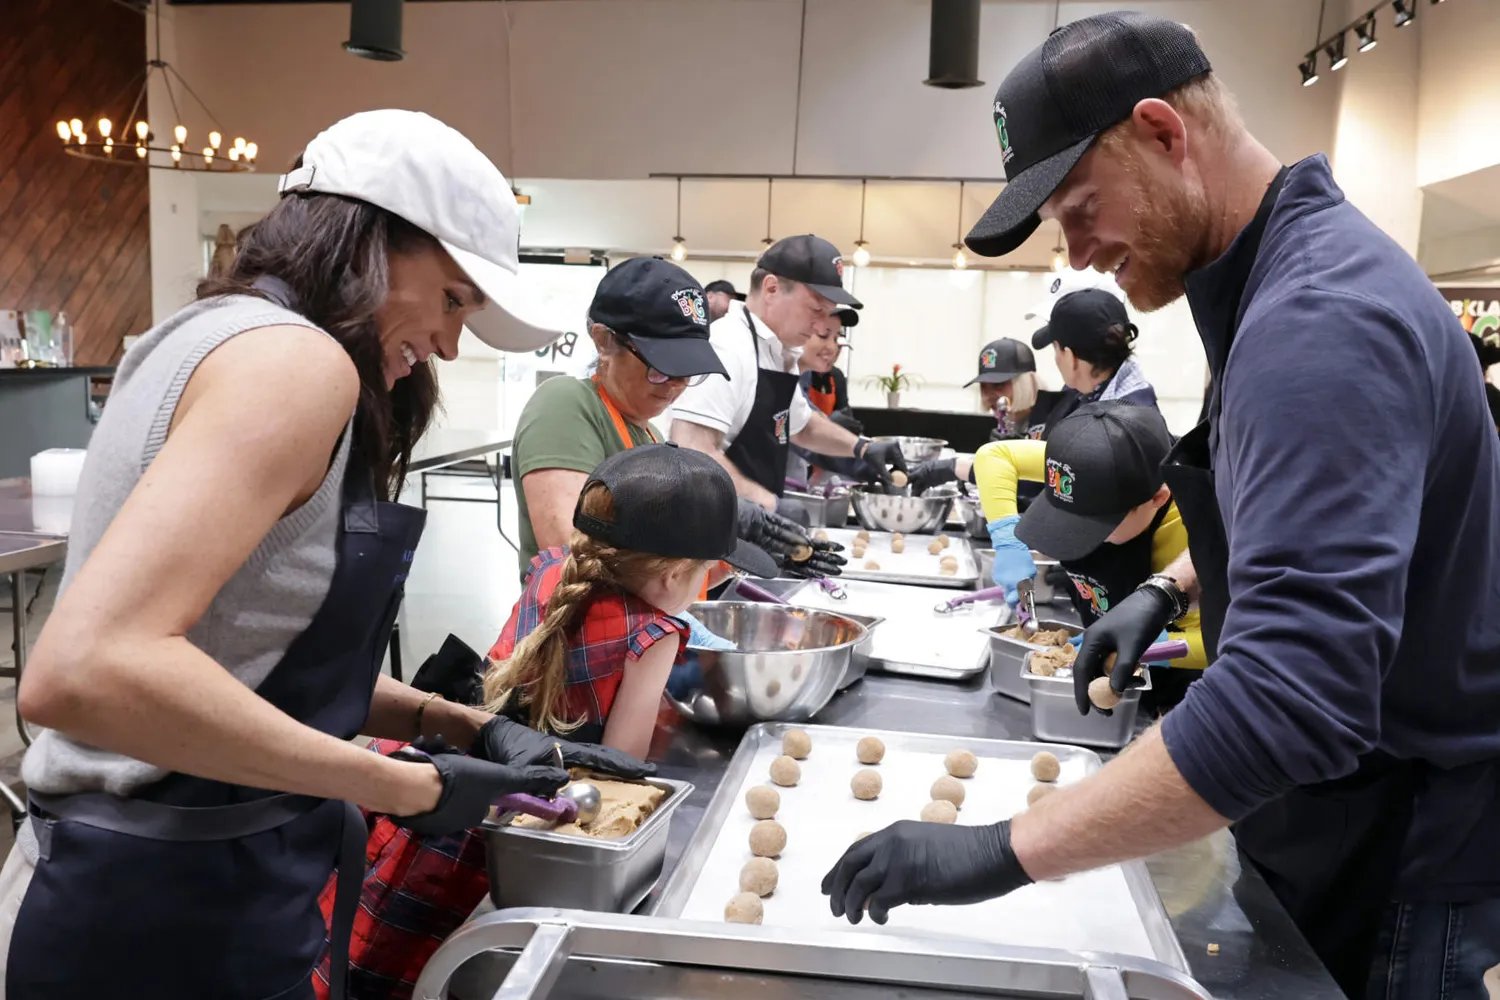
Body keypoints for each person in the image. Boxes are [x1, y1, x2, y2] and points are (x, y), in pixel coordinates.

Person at [821, 14, 1500, 1000]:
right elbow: (1323, 525)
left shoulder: (1318, 320)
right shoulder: (1281, 278)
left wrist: (1004, 849)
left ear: (1164, 132)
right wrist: (1171, 587)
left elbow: (1293, 699)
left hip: (1407, 857)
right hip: (1349, 815)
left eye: (1081, 206)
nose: (1081, 253)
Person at [0, 110, 652, 1000]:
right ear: (369, 243)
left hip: (187, 885)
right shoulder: (298, 366)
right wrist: (405, 787)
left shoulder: (216, 333)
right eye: (454, 299)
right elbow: (85, 672)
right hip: (155, 912)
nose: (452, 344)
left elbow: (246, 653)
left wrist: (452, 724)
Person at [312, 444, 771, 999]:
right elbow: (623, 769)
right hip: (517, 819)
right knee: (441, 957)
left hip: (443, 769)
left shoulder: (554, 569)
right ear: (676, 574)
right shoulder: (654, 633)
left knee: (363, 937)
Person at [510, 257, 842, 584]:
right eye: (661, 368)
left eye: (687, 372)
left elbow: (676, 579)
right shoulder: (566, 405)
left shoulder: (651, 438)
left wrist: (753, 553)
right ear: (604, 340)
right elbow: (573, 554)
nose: (675, 386)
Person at [975, 402, 1206, 711]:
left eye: (1095, 525)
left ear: (1157, 499)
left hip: (1175, 695)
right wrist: (1007, 540)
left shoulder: (1195, 528)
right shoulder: (1088, 465)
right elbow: (994, 456)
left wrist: (1153, 646)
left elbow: (1228, 638)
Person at [670, 235, 907, 512]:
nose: (821, 324)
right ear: (771, 289)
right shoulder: (728, 347)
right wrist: (769, 505)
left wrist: (861, 448)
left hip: (747, 530)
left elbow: (802, 426)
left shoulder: (777, 352)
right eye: (816, 309)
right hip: (706, 531)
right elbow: (691, 450)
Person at [1031, 288, 1160, 424]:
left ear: (1070, 358)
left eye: (1055, 348)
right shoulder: (1134, 402)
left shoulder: (1114, 430)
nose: (1056, 359)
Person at [964, 337, 1041, 439]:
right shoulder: (994, 426)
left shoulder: (1052, 423)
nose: (989, 395)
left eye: (998, 384)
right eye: (983, 386)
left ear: (1026, 384)